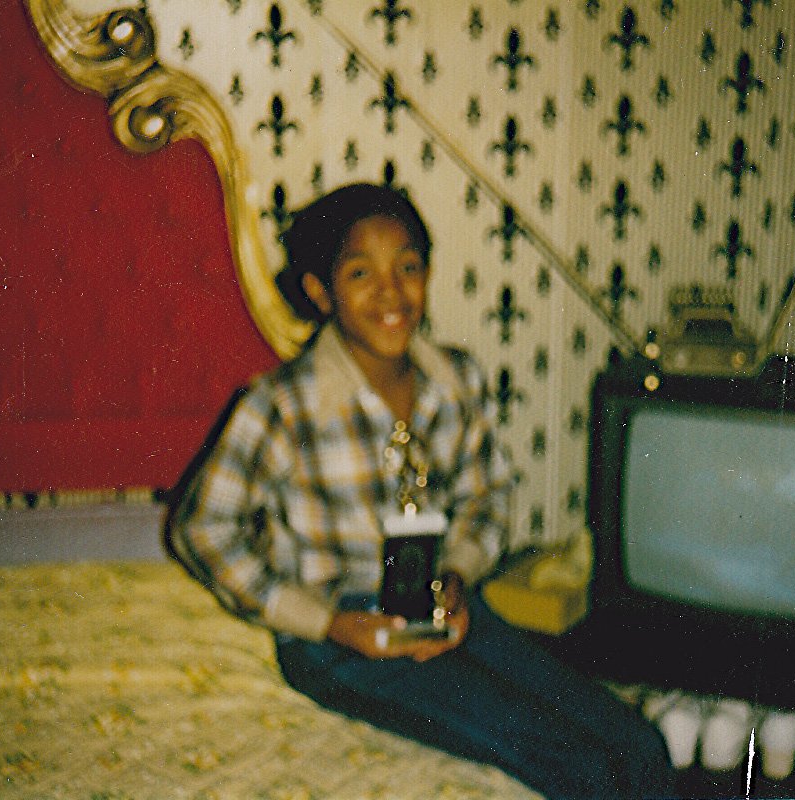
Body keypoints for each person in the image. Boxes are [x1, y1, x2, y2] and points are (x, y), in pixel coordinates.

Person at [165, 182, 674, 799]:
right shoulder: (281, 407)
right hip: (340, 642)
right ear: (320, 292)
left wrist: (458, 575)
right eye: (360, 273)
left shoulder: (456, 380)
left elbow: (488, 493)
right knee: (571, 764)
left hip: (444, 606)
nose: (391, 293)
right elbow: (200, 529)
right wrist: (325, 622)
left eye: (408, 267)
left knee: (637, 743)